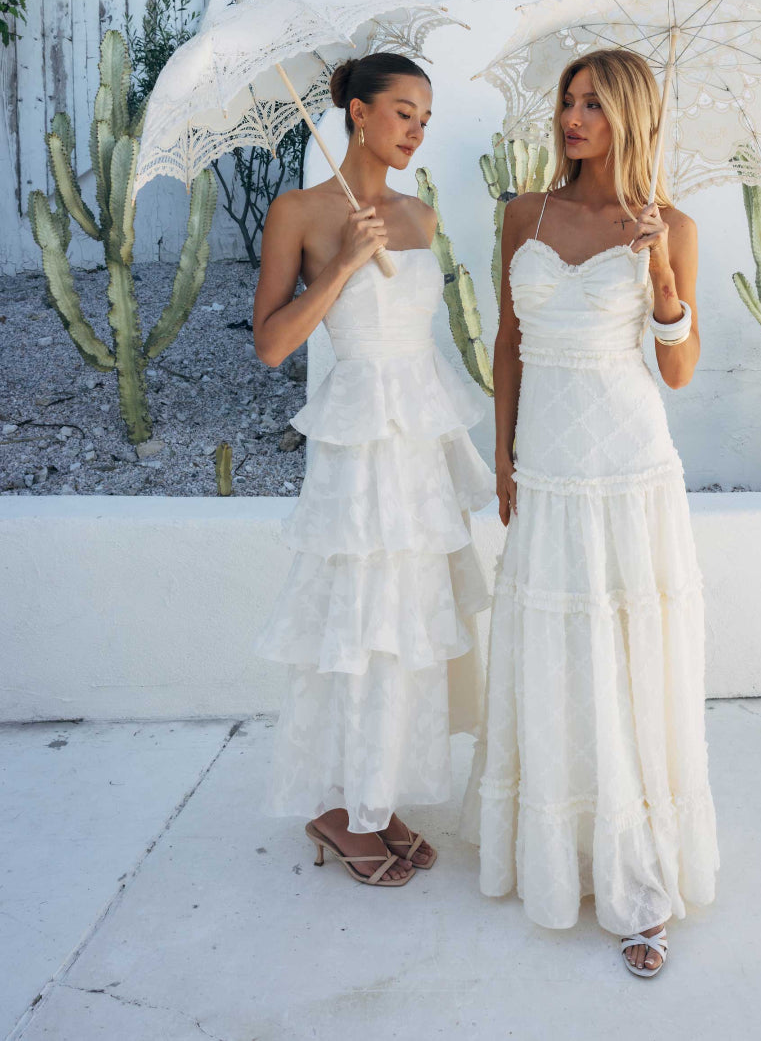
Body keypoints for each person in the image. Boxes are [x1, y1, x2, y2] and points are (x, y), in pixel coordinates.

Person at [460, 48, 719, 975]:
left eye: (594, 106)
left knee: (630, 663)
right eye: (568, 102)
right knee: (557, 654)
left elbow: (679, 372)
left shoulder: (673, 225)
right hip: (550, 465)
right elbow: (508, 340)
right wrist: (502, 454)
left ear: (632, 118)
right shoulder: (520, 214)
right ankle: (563, 851)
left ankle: (640, 880)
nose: (572, 120)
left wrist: (659, 281)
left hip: (630, 468)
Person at [253, 52, 494, 887]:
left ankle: (377, 799)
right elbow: (273, 344)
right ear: (356, 111)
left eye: (426, 117)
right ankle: (344, 806)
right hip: (356, 450)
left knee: (410, 619)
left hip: (417, 445)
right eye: (402, 112)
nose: (417, 131)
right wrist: (348, 262)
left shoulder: (421, 217)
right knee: (362, 622)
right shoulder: (299, 211)